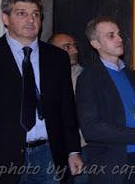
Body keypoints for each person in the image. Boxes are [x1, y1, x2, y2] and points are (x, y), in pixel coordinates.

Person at [0, 0, 83, 184]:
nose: (31, 20)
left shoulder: (57, 57)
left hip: (50, 153)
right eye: (21, 13)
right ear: (5, 18)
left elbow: (67, 108)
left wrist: (73, 150)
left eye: (35, 14)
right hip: (4, 155)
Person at [75, 16, 135, 184]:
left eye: (118, 34)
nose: (119, 39)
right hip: (113, 162)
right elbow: (91, 128)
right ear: (95, 43)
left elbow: (134, 111)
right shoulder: (89, 78)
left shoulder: (129, 74)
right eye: (111, 35)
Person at [49, 33, 88, 184]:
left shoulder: (86, 76)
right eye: (67, 47)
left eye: (74, 46)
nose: (74, 50)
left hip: (82, 145)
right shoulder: (44, 77)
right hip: (52, 147)